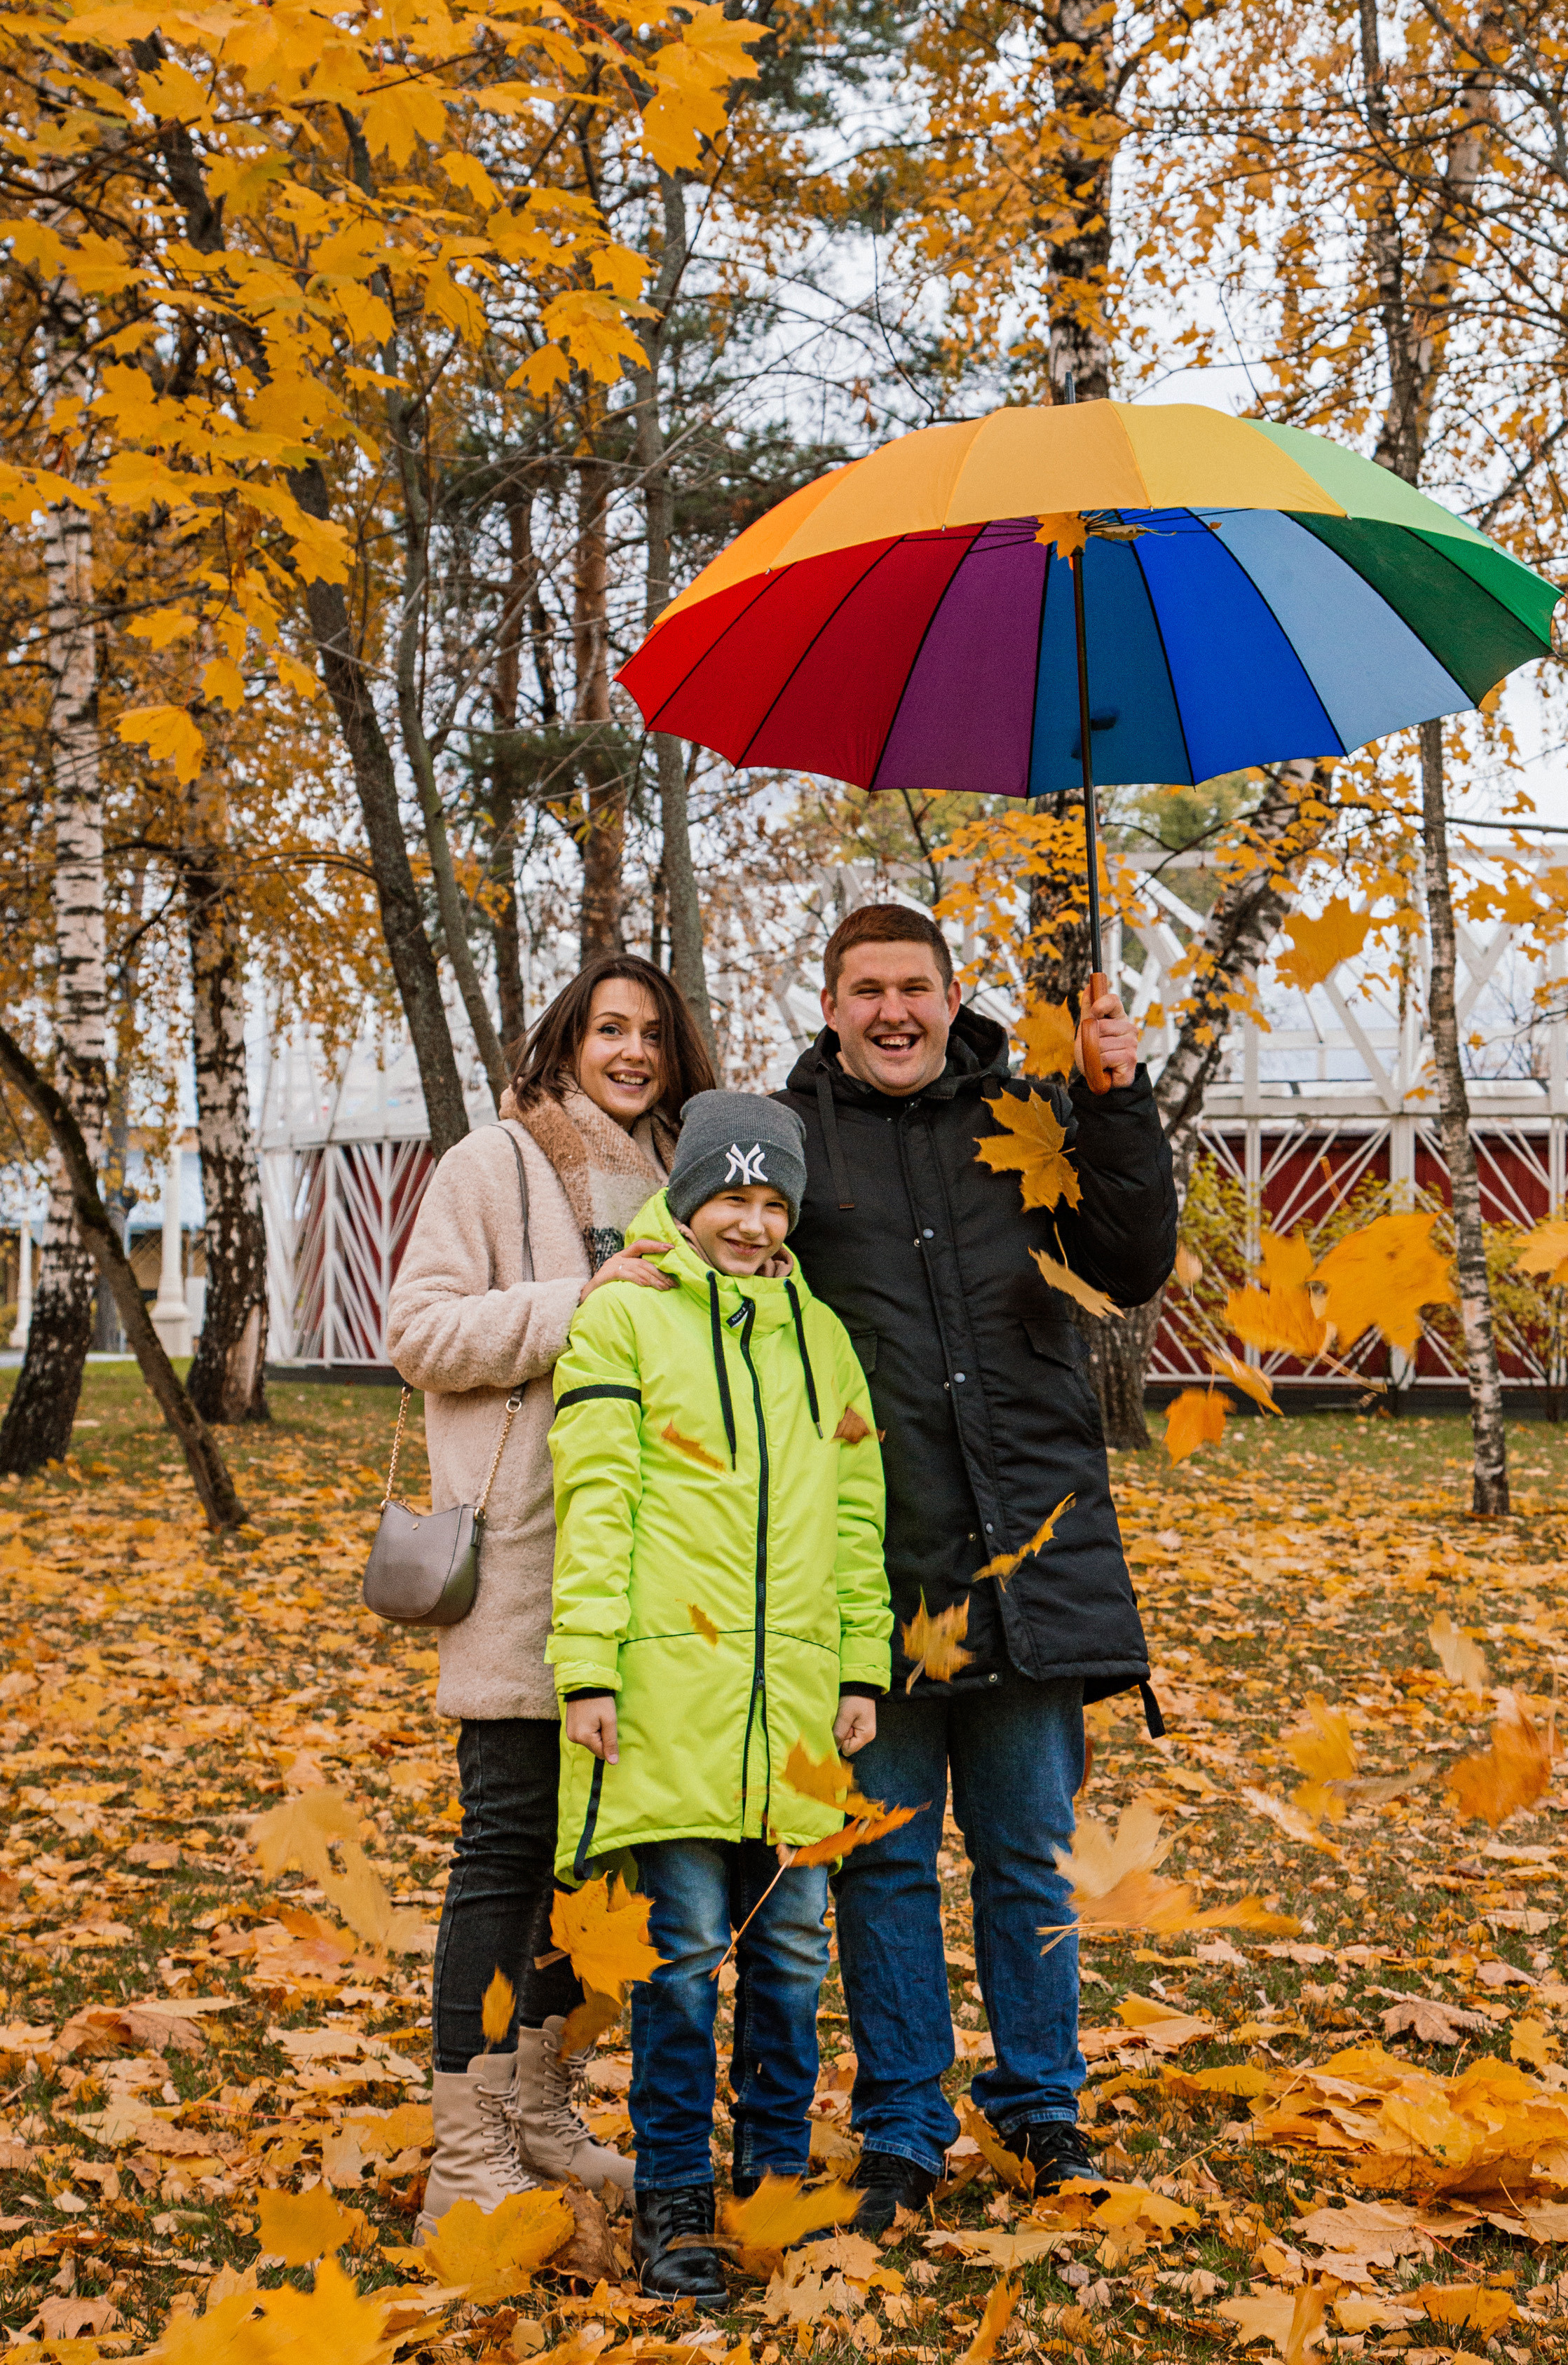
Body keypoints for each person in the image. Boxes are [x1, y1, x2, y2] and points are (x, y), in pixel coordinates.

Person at [777, 903, 1176, 2233]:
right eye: (867, 990)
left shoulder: (1033, 1119)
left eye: (916, 988)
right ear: (831, 1006)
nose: (894, 1011)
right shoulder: (792, 1145)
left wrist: (1118, 1105)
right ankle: (901, 2126)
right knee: (882, 1863)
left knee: (1022, 1849)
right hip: (873, 1568)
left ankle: (1040, 2110)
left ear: (954, 999)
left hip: (1026, 1556)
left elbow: (1132, 1261)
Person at [386, 955, 714, 2232]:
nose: (630, 1052)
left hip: (650, 1575)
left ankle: (538, 2111)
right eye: (607, 1029)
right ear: (567, 1040)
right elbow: (418, 1331)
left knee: (596, 1875)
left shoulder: (689, 1186)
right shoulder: (497, 1163)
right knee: (507, 1852)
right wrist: (575, 1301)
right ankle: (467, 2158)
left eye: (650, 1035)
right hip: (528, 1565)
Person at [549, 1092, 892, 2305]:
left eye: (768, 1200)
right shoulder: (625, 1322)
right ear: (686, 1201)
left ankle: (773, 2182)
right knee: (683, 1964)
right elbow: (597, 1502)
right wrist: (586, 1666)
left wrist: (860, 1665)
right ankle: (678, 2199)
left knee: (793, 1956)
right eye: (727, 1198)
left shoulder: (825, 1340)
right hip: (664, 1700)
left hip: (796, 1708)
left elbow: (858, 1517)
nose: (749, 1222)